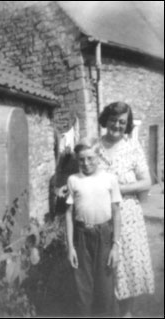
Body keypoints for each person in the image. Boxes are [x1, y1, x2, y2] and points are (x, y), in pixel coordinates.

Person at [98, 101, 154, 317]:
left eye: (123, 122)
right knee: (105, 268)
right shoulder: (95, 146)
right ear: (106, 119)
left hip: (129, 217)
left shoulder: (132, 146)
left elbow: (146, 182)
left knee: (128, 267)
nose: (117, 125)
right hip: (102, 217)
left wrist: (118, 188)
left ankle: (127, 314)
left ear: (127, 124)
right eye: (113, 120)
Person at [65, 138, 122, 317]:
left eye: (90, 158)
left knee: (105, 289)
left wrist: (115, 245)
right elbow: (68, 214)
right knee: (83, 290)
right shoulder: (73, 180)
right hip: (82, 235)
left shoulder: (110, 179)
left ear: (99, 156)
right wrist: (70, 247)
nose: (86, 163)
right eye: (81, 159)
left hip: (104, 235)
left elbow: (116, 213)